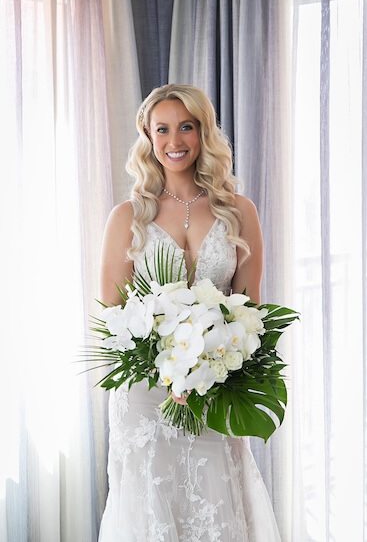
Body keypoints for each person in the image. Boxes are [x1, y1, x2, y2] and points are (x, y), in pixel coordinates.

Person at [98, 83, 281, 541]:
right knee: (150, 514)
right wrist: (168, 375)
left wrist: (211, 376)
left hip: (213, 390)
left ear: (204, 134)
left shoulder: (239, 212)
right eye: (162, 129)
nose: (174, 141)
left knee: (215, 507)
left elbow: (250, 313)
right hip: (144, 395)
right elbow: (111, 316)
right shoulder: (127, 217)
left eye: (186, 127)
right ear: (148, 136)